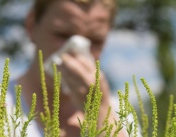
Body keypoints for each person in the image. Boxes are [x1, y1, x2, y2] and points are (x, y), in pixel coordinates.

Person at [15, 0, 125, 136]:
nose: (76, 51)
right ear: (31, 26)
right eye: (63, 35)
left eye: (95, 40)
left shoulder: (120, 115)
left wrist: (100, 113)